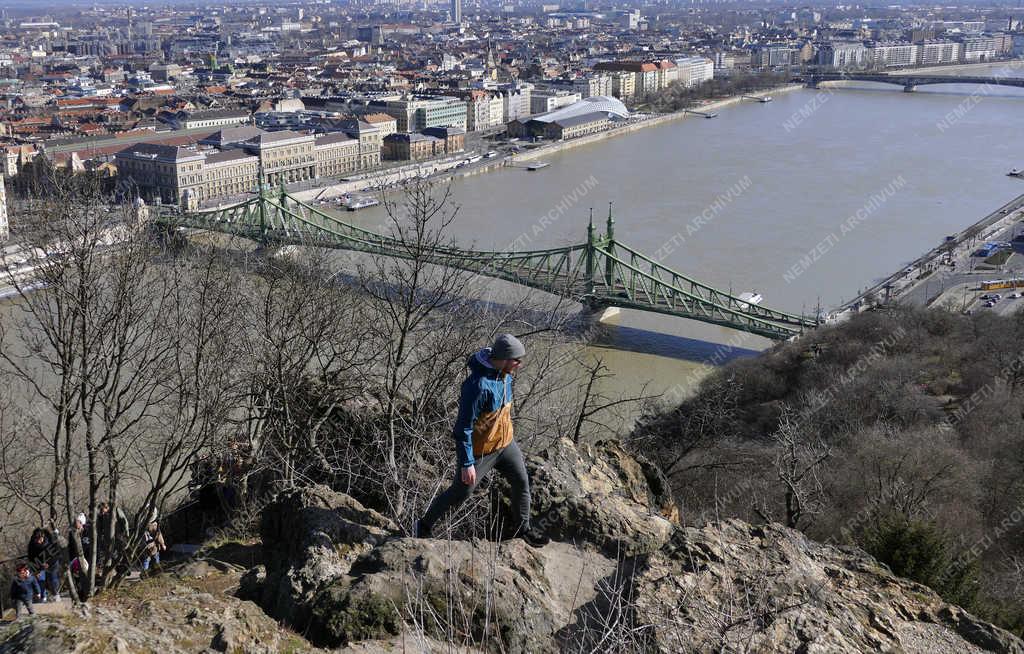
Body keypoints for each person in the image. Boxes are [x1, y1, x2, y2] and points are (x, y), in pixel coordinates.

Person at [416, 334, 549, 547]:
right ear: (505, 358)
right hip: (480, 452)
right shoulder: (477, 386)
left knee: (521, 482)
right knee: (462, 492)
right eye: (517, 360)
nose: (520, 365)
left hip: (505, 444)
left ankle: (524, 529)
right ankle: (423, 526)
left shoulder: (504, 374)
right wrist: (467, 463)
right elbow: (463, 429)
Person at [26, 527, 62, 602]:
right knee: (39, 579)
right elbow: (31, 558)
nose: (38, 541)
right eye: (36, 539)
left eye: (39, 539)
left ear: (43, 537)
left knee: (53, 578)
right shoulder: (32, 544)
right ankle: (42, 596)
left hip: (52, 562)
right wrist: (35, 570)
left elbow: (57, 554)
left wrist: (48, 563)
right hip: (39, 563)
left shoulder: (51, 540)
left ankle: (55, 594)